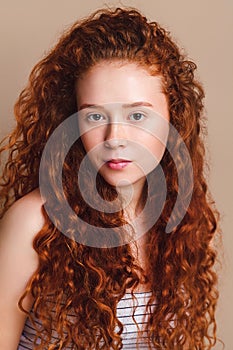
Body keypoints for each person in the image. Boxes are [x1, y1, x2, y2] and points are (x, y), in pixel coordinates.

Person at [0, 7, 221, 350]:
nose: (115, 136)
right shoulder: (34, 223)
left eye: (137, 115)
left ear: (173, 116)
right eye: (94, 115)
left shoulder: (185, 222)